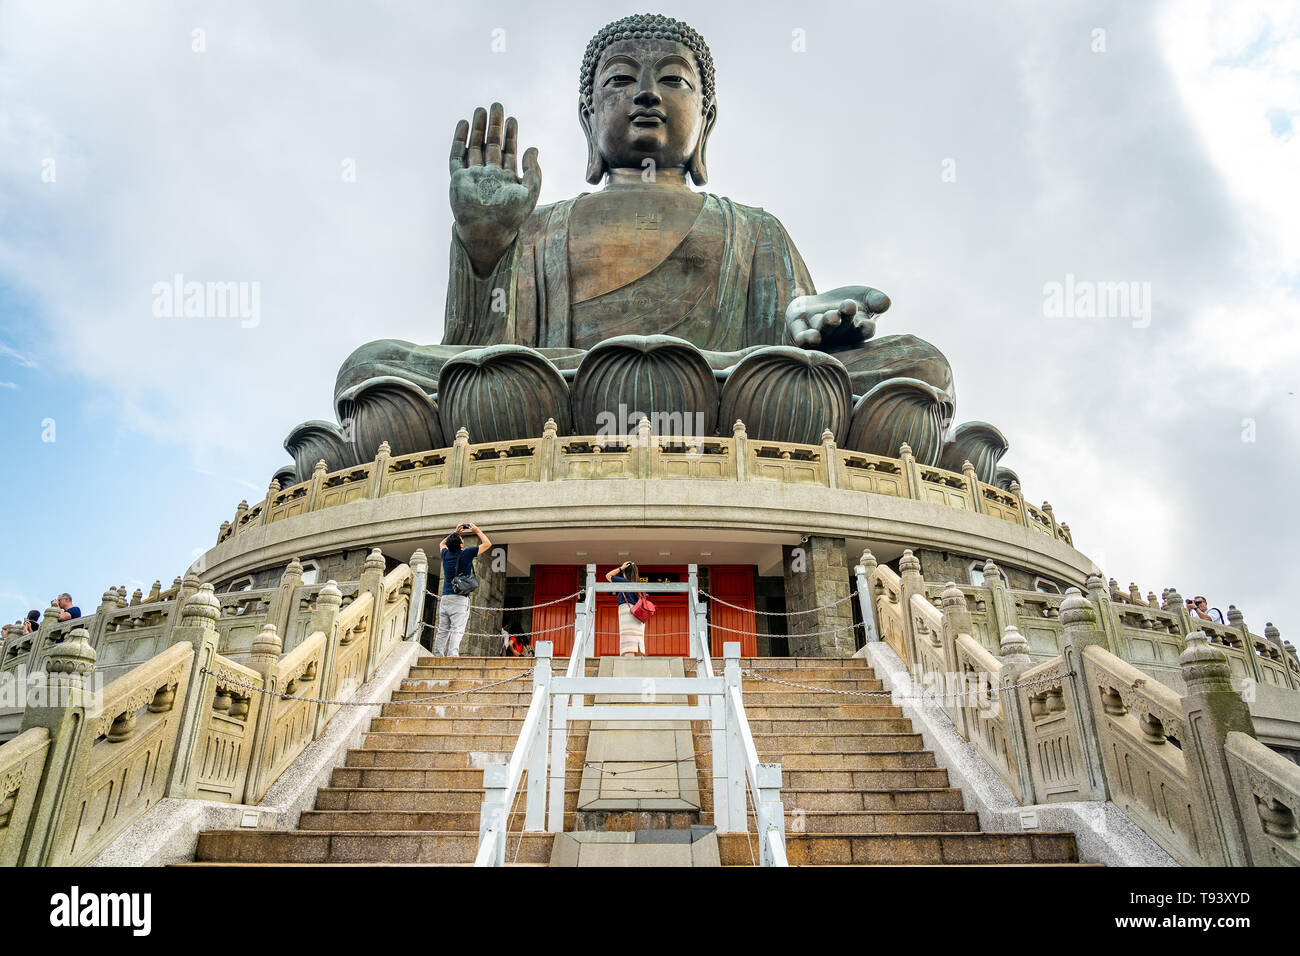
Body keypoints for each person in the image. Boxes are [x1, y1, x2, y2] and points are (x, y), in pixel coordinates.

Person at [433, 521, 491, 657]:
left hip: (446, 597)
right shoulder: (467, 553)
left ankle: (438, 654)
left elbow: (441, 544)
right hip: (460, 598)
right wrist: (476, 530)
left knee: (443, 629)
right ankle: (452, 655)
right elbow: (487, 543)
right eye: (461, 540)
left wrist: (455, 532)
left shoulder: (445, 554)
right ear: (461, 545)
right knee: (456, 629)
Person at [606, 560, 646, 657]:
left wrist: (621, 568)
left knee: (628, 645)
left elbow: (608, 576)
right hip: (639, 617)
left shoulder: (624, 582)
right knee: (637, 644)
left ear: (625, 572)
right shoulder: (640, 586)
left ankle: (630, 670)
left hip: (627, 614)